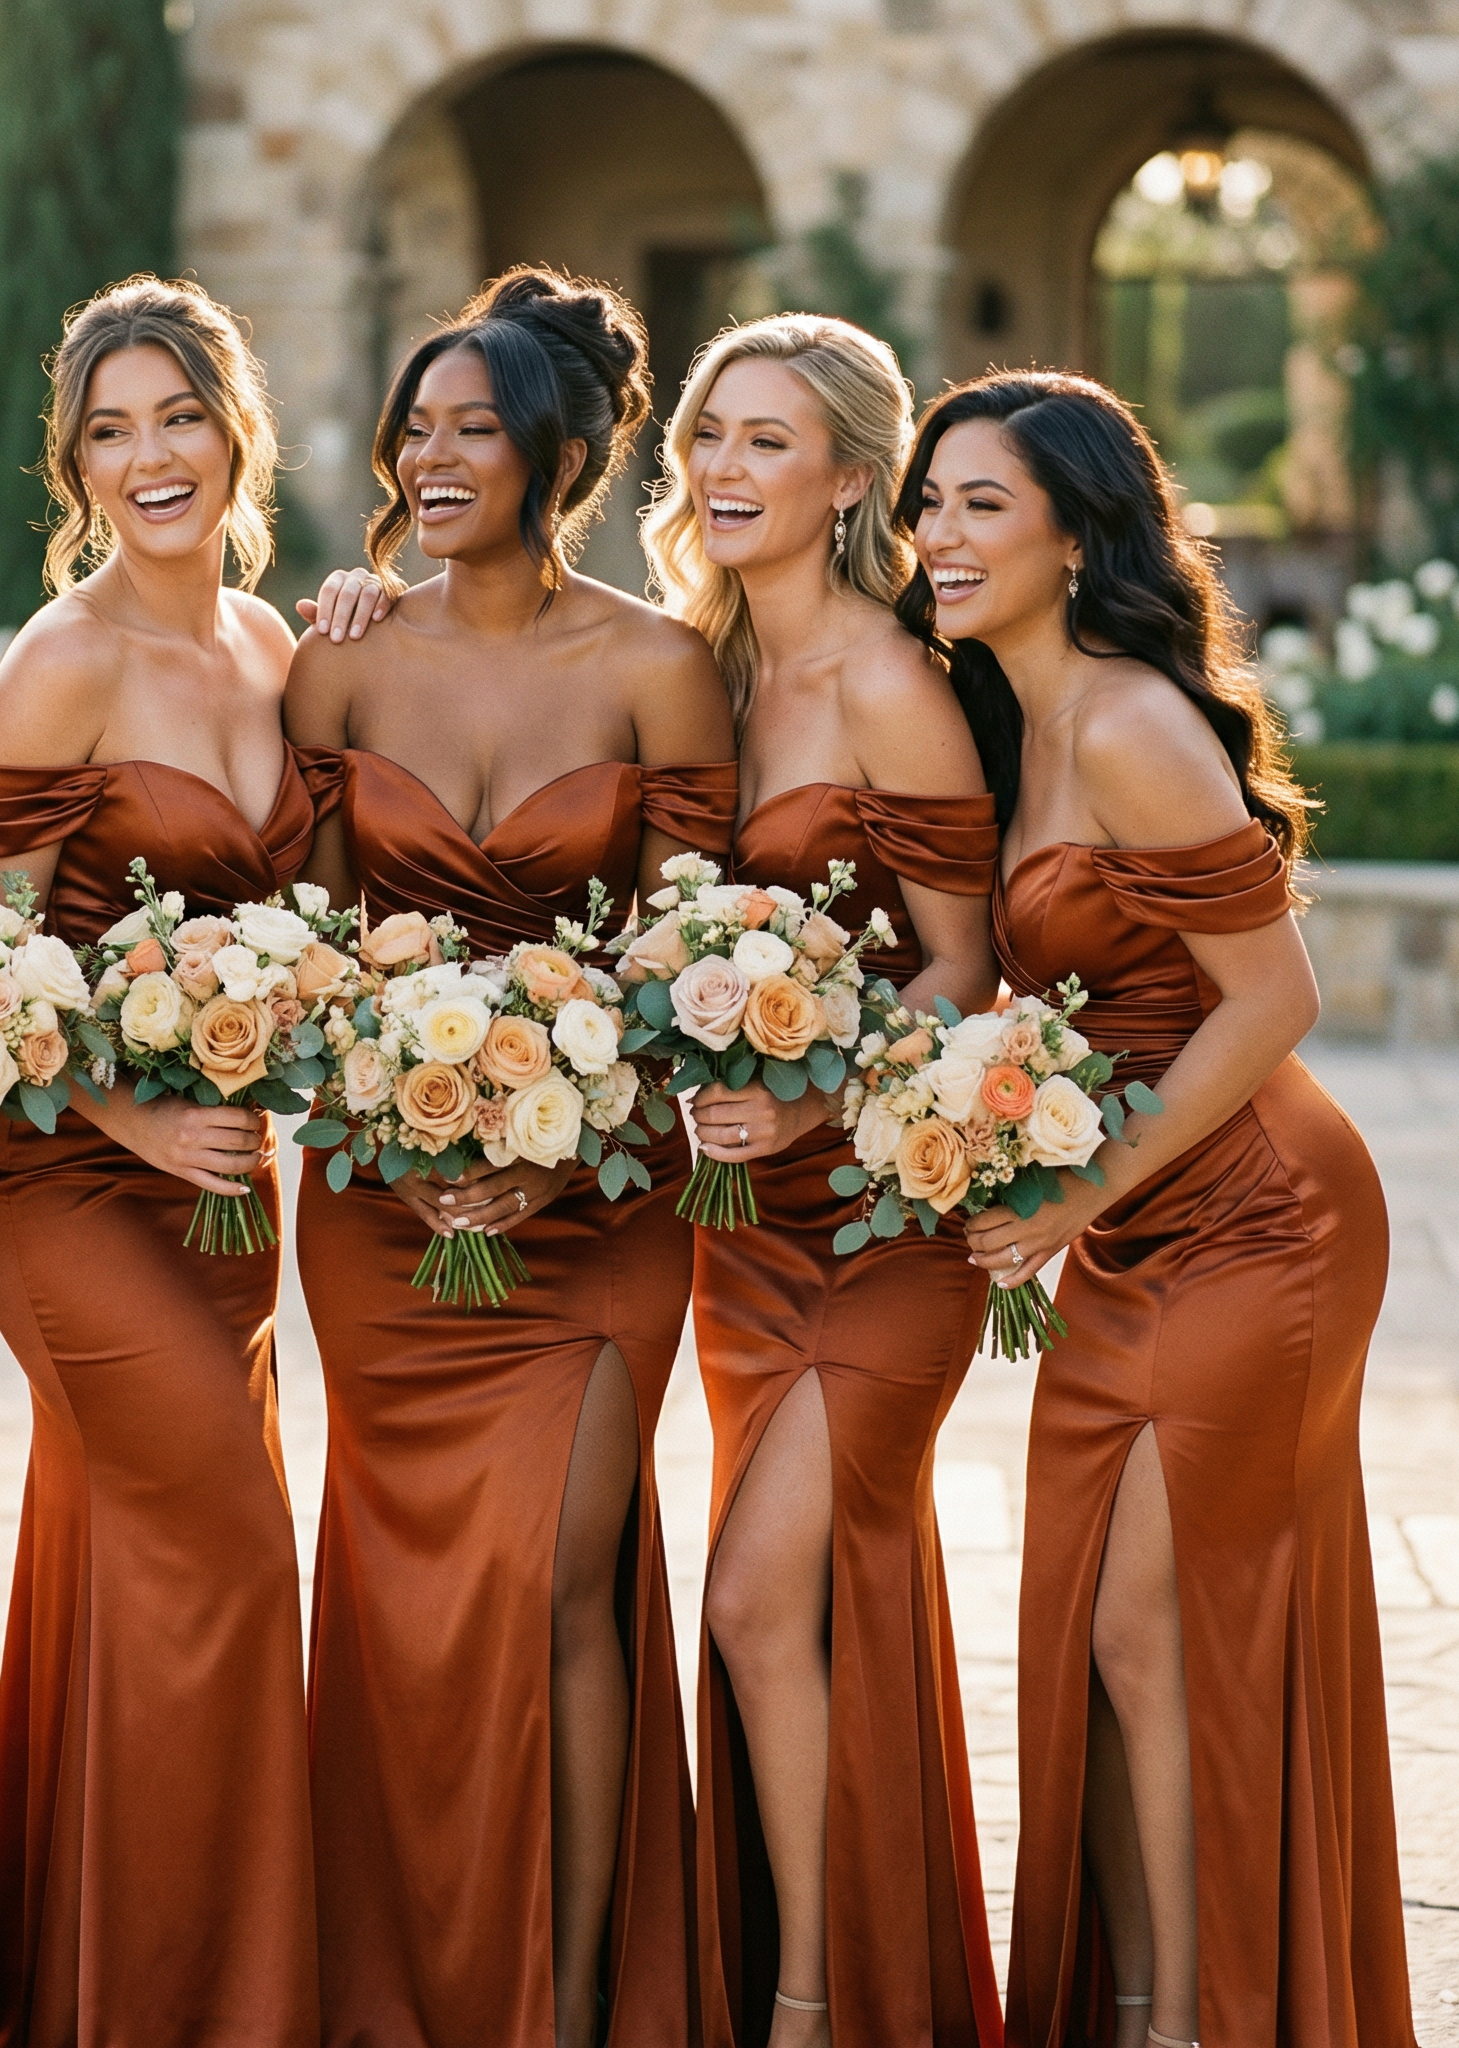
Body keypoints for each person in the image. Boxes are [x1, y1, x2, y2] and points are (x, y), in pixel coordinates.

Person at [900, 370, 1414, 2048]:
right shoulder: (1006, 715)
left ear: (1075, 528)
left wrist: (1078, 1190)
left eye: (986, 502)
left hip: (1265, 1214)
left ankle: (1202, 2021)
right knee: (1106, 1626)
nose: (944, 535)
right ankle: (1138, 2001)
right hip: (1135, 1219)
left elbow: (1275, 998)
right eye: (931, 502)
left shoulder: (1125, 720)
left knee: (1151, 1622)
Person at [287, 266, 736, 2048]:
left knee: (566, 1582)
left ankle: (561, 2014)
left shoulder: (658, 666)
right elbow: (306, 951)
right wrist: (392, 1126)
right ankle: (399, 1992)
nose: (433, 453)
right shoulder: (339, 653)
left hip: (601, 1197)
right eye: (419, 426)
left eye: (476, 427)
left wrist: (559, 1159)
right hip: (382, 1217)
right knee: (408, 1604)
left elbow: (697, 958)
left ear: (560, 454)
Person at [0, 277, 319, 2048]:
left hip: (236, 1189)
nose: (147, 456)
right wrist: (131, 1116)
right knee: (233, 1557)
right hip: (80, 1185)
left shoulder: (278, 649)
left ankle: (100, 1980)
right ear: (77, 468)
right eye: (109, 431)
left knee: (140, 1564)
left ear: (236, 425)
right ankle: (213, 2007)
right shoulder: (59, 660)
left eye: (176, 415)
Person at [641, 314, 1003, 2047]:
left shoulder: (886, 676)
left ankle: (811, 2002)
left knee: (752, 1595)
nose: (722, 467)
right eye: (712, 433)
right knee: (803, 1605)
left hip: (880, 1219)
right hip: (741, 1238)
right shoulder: (698, 666)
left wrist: (808, 1100)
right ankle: (857, 1975)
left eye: (768, 443)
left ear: (854, 477)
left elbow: (967, 967)